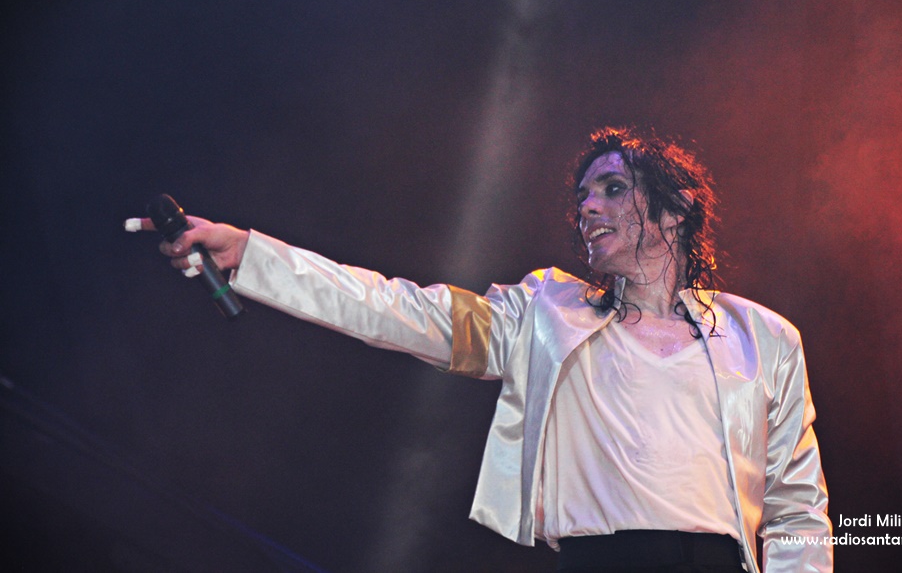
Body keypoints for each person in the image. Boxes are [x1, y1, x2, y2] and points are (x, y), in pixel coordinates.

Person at [129, 127, 833, 572]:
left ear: (676, 210)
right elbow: (396, 309)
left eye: (613, 189)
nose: (587, 207)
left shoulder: (763, 338)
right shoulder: (545, 314)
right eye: (582, 197)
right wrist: (252, 253)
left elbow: (798, 510)